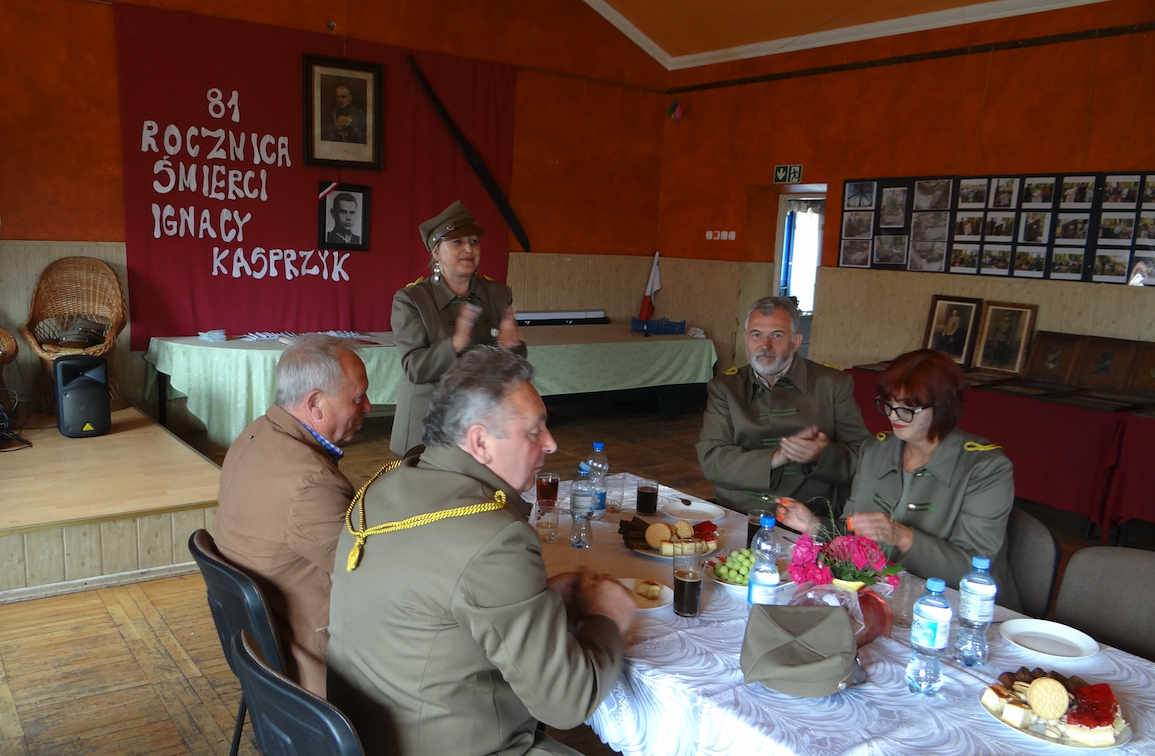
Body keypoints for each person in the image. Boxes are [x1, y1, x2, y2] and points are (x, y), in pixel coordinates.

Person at [327, 347, 635, 756]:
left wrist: (543, 601)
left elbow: (442, 599)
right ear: (480, 442)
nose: (552, 444)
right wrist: (607, 617)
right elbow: (566, 703)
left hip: (361, 732)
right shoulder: (494, 536)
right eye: (534, 431)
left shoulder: (383, 483)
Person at [776, 349, 1022, 611]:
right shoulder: (877, 451)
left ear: (943, 407)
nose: (894, 416)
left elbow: (971, 570)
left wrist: (903, 536)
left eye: (908, 409)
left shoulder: (986, 468)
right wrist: (813, 525)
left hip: (960, 610)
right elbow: (855, 538)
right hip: (887, 596)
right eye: (889, 404)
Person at [214, 334, 371, 697]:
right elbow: (372, 574)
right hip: (308, 661)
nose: (367, 407)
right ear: (315, 402)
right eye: (358, 397)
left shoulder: (255, 434)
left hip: (257, 647)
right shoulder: (310, 482)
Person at [697, 296, 870, 517]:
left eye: (777, 335)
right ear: (745, 339)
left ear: (796, 341)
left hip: (807, 516)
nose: (765, 346)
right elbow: (712, 460)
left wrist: (822, 455)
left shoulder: (832, 384)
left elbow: (864, 459)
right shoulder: (725, 387)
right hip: (738, 512)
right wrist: (775, 458)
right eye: (756, 335)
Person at [390, 200, 526, 456]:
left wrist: (511, 347)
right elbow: (415, 368)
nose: (468, 248)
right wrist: (454, 344)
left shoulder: (497, 293)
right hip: (429, 422)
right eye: (457, 242)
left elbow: (516, 361)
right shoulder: (412, 299)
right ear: (436, 253)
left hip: (482, 418)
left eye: (474, 241)